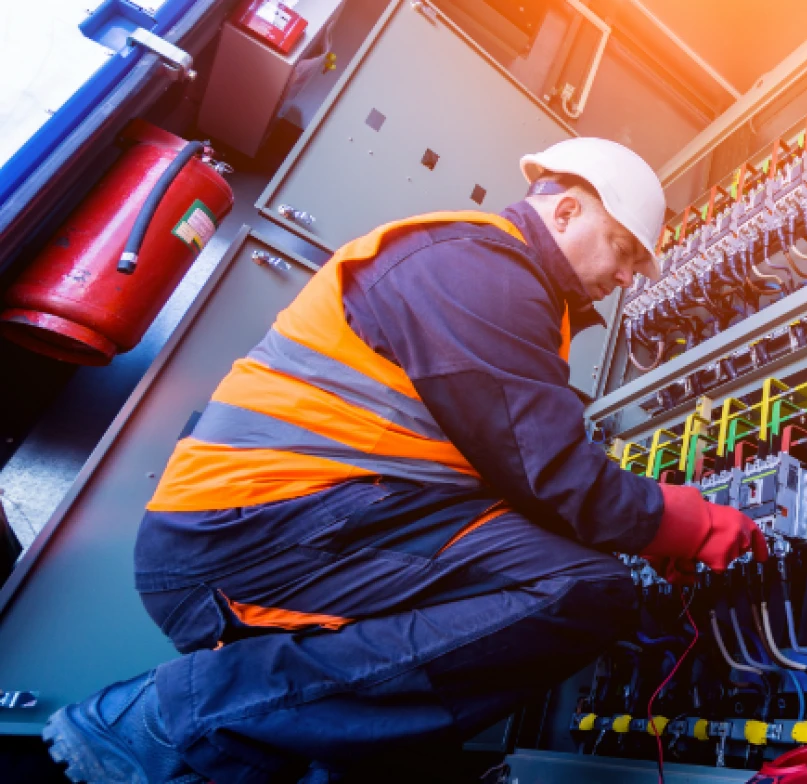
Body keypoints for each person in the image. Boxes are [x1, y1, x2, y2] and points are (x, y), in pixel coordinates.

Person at [42, 138, 763, 783]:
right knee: (584, 590)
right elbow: (551, 472)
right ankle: (179, 719)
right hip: (250, 540)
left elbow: (518, 479)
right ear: (568, 212)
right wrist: (681, 521)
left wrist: (635, 525)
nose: (630, 278)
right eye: (625, 251)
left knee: (479, 659)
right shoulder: (480, 268)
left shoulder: (508, 286)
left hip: (325, 521)